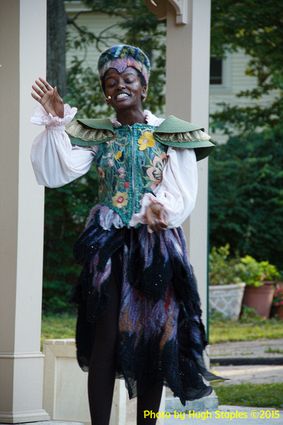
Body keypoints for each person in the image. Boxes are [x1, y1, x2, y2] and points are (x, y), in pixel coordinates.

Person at [30, 44, 221, 425]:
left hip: (155, 247)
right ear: (105, 91)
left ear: (143, 87)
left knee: (152, 342)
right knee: (105, 339)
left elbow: (182, 193)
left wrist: (161, 209)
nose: (119, 85)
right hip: (109, 247)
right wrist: (56, 123)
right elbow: (57, 171)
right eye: (111, 81)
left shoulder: (171, 135)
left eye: (128, 79)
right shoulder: (99, 136)